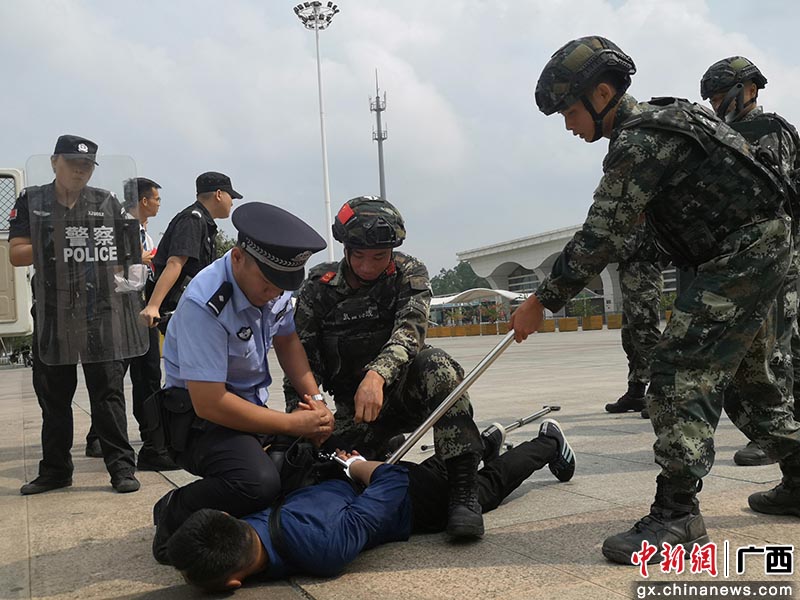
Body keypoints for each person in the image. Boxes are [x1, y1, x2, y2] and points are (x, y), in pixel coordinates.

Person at [512, 36, 800, 565]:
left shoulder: (641, 141)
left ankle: (677, 516)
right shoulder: (666, 122)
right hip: (754, 250)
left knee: (676, 372)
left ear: (603, 94)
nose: (569, 125)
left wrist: (542, 300)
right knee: (747, 380)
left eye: (571, 111)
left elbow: (599, 236)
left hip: (746, 252)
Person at [166, 418, 576, 591]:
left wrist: (360, 466)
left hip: (395, 493)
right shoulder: (250, 521)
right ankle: (479, 443)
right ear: (223, 515)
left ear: (232, 584)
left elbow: (392, 480)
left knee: (486, 488)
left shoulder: (322, 546)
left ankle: (547, 442)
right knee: (436, 474)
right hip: (374, 490)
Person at [285, 196, 486, 539]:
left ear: (392, 251)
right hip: (357, 413)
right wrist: (307, 414)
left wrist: (376, 375)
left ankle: (464, 492)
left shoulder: (409, 273)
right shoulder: (318, 289)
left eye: (378, 257)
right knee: (315, 470)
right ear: (345, 249)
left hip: (404, 393)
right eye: (358, 256)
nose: (367, 267)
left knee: (439, 366)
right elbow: (302, 363)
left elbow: (410, 331)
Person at [150, 201, 333, 565]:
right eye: (267, 284)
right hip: (199, 422)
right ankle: (174, 510)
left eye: (281, 288)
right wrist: (292, 423)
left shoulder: (274, 287)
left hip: (247, 408)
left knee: (315, 459)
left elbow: (287, 341)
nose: (273, 295)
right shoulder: (206, 303)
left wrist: (314, 400)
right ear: (237, 258)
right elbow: (211, 403)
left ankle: (241, 509)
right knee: (256, 484)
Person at [9, 134, 142, 494]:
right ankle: (55, 470)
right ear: (55, 163)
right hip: (53, 312)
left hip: (99, 311)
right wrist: (57, 240)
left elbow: (129, 253)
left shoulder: (105, 202)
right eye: (72, 164)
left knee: (108, 391)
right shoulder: (32, 200)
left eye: (86, 166)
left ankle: (121, 468)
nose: (79, 172)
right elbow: (17, 253)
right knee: (53, 396)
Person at [700, 56, 800, 467]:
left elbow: (766, 193)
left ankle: (775, 433)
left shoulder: (769, 130)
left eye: (722, 96)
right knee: (781, 344)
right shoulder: (719, 135)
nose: (717, 105)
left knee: (773, 347)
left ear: (750, 90)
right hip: (743, 258)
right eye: (712, 99)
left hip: (775, 254)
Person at [85, 177, 178, 470]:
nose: (159, 204)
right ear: (142, 200)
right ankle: (98, 436)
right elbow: (104, 264)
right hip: (114, 308)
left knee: (149, 371)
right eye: (156, 198)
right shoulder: (113, 227)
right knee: (112, 378)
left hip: (140, 307)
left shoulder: (144, 233)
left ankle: (151, 435)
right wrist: (137, 257)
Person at [140, 171, 241, 329]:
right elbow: (175, 263)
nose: (232, 203)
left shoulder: (205, 224)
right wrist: (153, 306)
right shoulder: (192, 220)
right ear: (219, 194)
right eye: (231, 197)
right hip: (178, 311)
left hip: (193, 309)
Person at [605, 231, 663, 415]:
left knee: (647, 338)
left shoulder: (643, 214)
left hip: (644, 280)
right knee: (631, 340)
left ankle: (664, 396)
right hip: (632, 282)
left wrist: (596, 246)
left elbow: (624, 248)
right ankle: (636, 393)